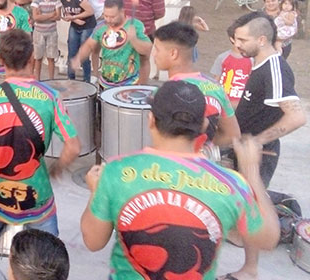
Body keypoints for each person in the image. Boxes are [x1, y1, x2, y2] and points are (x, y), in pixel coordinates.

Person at [80, 80, 280, 280]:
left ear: (151, 120)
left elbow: (93, 242)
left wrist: (96, 192)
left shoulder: (116, 171)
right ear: (204, 125)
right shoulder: (231, 184)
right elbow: (267, 239)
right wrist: (251, 171)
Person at [0, 29, 81, 260]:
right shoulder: (51, 97)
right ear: (32, 58)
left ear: (0, 59)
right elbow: (73, 147)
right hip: (36, 196)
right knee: (47, 257)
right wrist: (56, 169)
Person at [225, 12, 306, 280]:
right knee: (244, 206)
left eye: (242, 40)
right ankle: (241, 247)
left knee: (252, 210)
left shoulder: (274, 68)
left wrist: (256, 142)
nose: (237, 44)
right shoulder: (260, 64)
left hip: (260, 153)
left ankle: (250, 269)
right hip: (244, 148)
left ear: (261, 40)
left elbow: (297, 117)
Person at [152, 22, 240, 149]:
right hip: (204, 159)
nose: (154, 54)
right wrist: (204, 148)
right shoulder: (215, 87)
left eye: (157, 49)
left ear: (173, 53)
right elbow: (232, 135)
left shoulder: (165, 93)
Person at [71, 0, 151, 90]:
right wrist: (78, 58)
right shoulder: (101, 26)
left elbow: (147, 50)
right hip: (106, 83)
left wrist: (134, 39)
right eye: (106, 16)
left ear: (122, 12)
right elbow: (89, 45)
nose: (108, 20)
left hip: (129, 84)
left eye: (112, 17)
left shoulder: (136, 25)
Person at [121, 0, 165, 84]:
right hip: (126, 30)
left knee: (143, 59)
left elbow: (160, 13)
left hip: (145, 32)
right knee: (125, 59)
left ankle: (142, 86)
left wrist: (144, 20)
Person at [54, 0, 95, 83]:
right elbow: (67, 14)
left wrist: (74, 17)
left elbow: (90, 11)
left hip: (87, 25)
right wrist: (74, 19)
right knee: (72, 52)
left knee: (83, 52)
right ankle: (70, 78)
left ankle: (87, 79)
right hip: (75, 25)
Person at [210, 21, 252, 109]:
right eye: (240, 39)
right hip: (224, 101)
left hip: (244, 102)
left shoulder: (252, 59)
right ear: (232, 39)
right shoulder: (222, 58)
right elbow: (215, 80)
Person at [31, 0, 61, 80]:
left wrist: (42, 16)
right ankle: (37, 80)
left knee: (51, 57)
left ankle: (51, 80)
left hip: (52, 31)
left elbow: (58, 16)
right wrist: (51, 14)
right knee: (38, 57)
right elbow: (35, 17)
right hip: (39, 32)